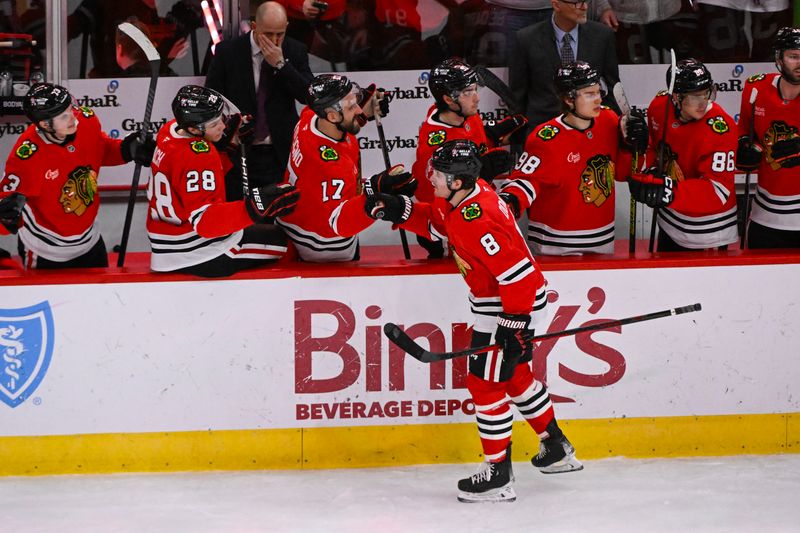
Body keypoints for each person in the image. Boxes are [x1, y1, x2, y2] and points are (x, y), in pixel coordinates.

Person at [365, 139, 582, 503]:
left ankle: (498, 475)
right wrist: (400, 210)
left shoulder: (477, 217)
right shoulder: (464, 196)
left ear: (457, 182)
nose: (430, 176)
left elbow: (520, 276)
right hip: (501, 305)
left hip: (510, 308)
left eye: (440, 174)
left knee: (484, 384)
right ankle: (557, 448)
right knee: (513, 375)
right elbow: (439, 223)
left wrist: (513, 326)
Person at [147, 85, 298, 277]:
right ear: (193, 128)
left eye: (221, 118)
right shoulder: (200, 154)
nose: (223, 126)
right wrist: (254, 206)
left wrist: (228, 148)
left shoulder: (169, 130)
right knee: (287, 244)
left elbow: (187, 178)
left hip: (166, 245)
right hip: (199, 251)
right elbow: (205, 222)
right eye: (214, 124)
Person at [0, 83, 154, 269]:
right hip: (47, 251)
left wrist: (126, 150)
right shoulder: (26, 156)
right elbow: (5, 206)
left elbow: (100, 150)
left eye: (70, 109)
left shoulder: (86, 121)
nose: (73, 118)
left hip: (89, 240)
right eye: (64, 116)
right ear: (45, 124)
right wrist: (7, 216)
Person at [499, 62, 640, 255]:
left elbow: (624, 174)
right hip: (555, 245)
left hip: (603, 240)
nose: (598, 99)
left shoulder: (608, 120)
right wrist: (509, 202)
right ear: (568, 99)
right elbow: (524, 181)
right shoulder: (546, 137)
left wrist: (630, 147)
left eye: (598, 92)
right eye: (590, 94)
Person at [276, 73, 410, 262]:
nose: (358, 110)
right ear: (332, 115)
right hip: (324, 244)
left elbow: (343, 121)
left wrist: (365, 109)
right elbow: (339, 223)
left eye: (356, 101)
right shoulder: (330, 167)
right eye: (351, 106)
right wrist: (376, 191)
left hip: (295, 218)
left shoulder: (310, 116)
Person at [411, 57, 527, 258]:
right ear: (448, 99)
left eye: (475, 89)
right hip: (445, 228)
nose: (476, 98)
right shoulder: (437, 145)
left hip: (475, 210)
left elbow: (471, 141)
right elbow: (444, 200)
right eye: (467, 92)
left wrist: (495, 135)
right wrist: (481, 171)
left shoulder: (463, 113)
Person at [206, 1, 314, 201]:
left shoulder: (295, 50)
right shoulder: (228, 52)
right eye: (268, 34)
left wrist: (282, 65)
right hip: (238, 151)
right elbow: (212, 98)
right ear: (254, 26)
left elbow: (308, 95)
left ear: (287, 27)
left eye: (279, 34)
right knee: (239, 213)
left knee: (279, 211)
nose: (274, 40)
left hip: (279, 151)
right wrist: (230, 128)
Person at [629, 58, 739, 252]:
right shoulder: (658, 107)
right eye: (695, 96)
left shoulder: (722, 129)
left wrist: (668, 191)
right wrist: (653, 169)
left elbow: (717, 191)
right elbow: (655, 149)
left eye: (707, 93)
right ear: (676, 97)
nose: (703, 102)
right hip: (670, 220)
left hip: (709, 229)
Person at [509, 0, 620, 130]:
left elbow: (614, 88)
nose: (584, 7)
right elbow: (517, 96)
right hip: (543, 131)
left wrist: (615, 128)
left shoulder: (602, 35)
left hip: (590, 130)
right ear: (556, 5)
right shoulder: (526, 39)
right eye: (577, 3)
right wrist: (518, 141)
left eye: (585, 1)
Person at [736, 26, 800, 249]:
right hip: (765, 216)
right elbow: (744, 132)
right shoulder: (756, 88)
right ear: (779, 58)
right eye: (793, 56)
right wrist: (743, 147)